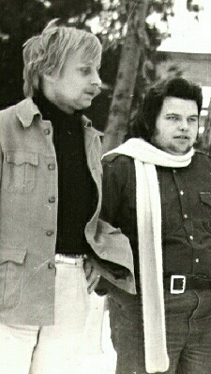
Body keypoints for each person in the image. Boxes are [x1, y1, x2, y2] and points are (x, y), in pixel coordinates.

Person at [0, 20, 135, 374]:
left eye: (98, 71)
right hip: (10, 290)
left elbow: (83, 213)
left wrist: (96, 255)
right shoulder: (5, 129)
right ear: (49, 70)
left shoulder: (91, 139)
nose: (97, 81)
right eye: (85, 70)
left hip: (72, 289)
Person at [101, 77, 211, 374]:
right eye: (173, 118)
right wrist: (121, 294)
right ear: (151, 121)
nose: (184, 127)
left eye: (192, 119)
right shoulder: (121, 168)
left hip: (205, 311)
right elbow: (97, 234)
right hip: (145, 311)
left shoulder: (209, 170)